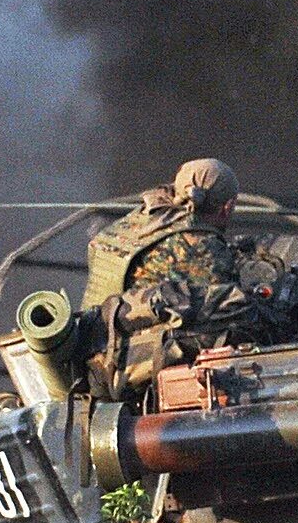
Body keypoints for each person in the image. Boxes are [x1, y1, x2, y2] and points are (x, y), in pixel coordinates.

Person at [83, 158, 278, 389]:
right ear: (227, 207)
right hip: (128, 361)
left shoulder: (134, 221)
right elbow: (227, 306)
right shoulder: (203, 246)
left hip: (90, 339)